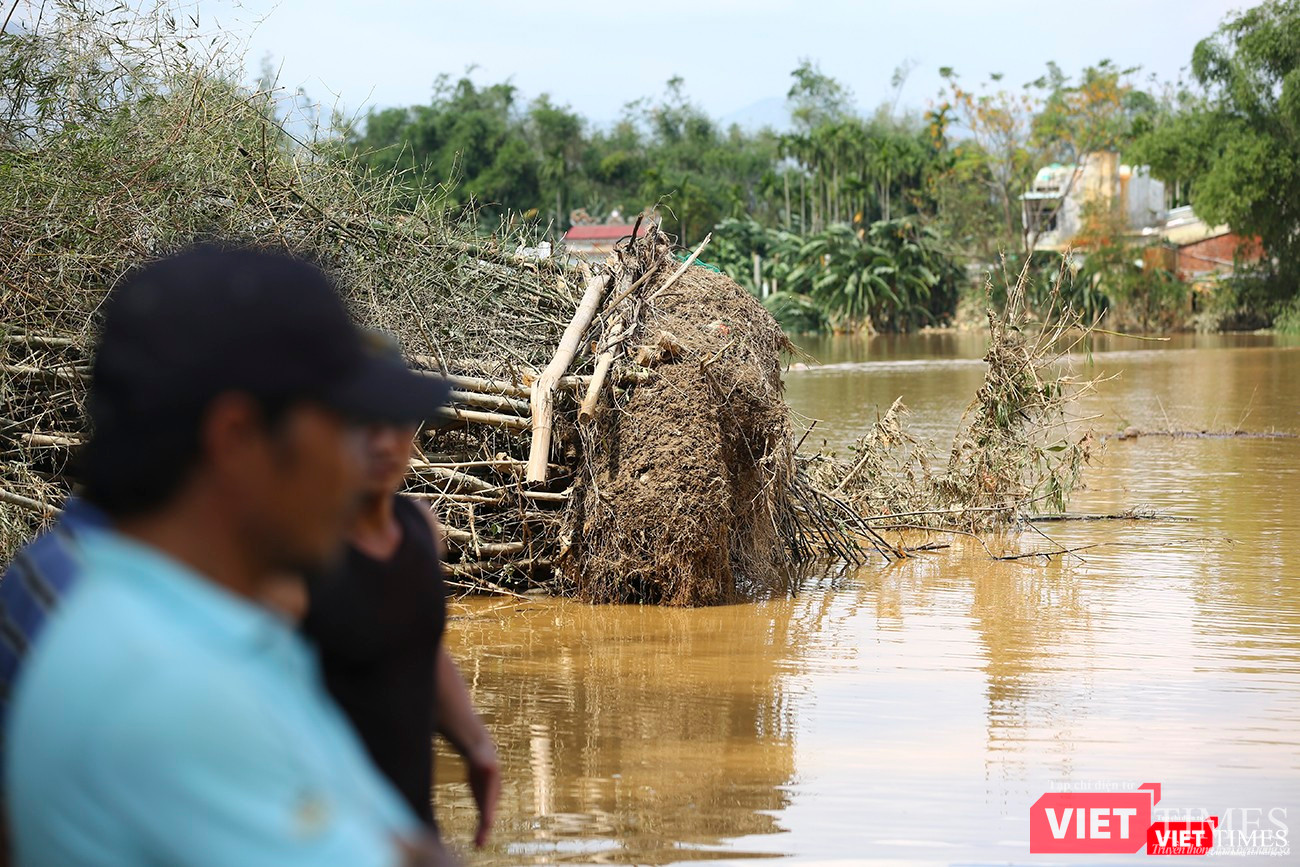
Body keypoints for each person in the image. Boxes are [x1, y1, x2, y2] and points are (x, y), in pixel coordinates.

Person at [4, 246, 455, 866]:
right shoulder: (166, 686)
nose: (359, 467)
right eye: (343, 427)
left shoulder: (197, 631)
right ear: (238, 438)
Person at [302, 401, 500, 847]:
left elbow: (420, 648)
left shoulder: (420, 527)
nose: (384, 442)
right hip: (327, 829)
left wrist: (476, 745)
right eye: (364, 424)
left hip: (411, 817)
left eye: (397, 423)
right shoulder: (299, 548)